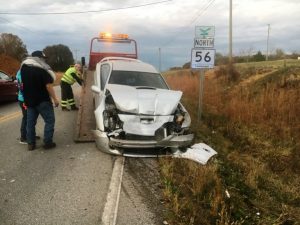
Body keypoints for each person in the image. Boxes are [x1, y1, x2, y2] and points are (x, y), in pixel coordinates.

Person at [20, 50, 59, 151]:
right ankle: (48, 143)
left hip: (29, 101)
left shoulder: (23, 68)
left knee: (30, 123)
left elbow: (22, 84)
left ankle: (31, 144)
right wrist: (55, 99)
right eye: (43, 58)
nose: (44, 60)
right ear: (39, 58)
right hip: (43, 100)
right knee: (50, 121)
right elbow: (48, 85)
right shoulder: (42, 69)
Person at [16, 69, 40, 144]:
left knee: (31, 118)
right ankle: (24, 137)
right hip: (24, 99)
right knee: (27, 118)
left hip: (26, 98)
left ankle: (30, 135)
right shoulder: (22, 72)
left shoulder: (23, 71)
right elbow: (23, 86)